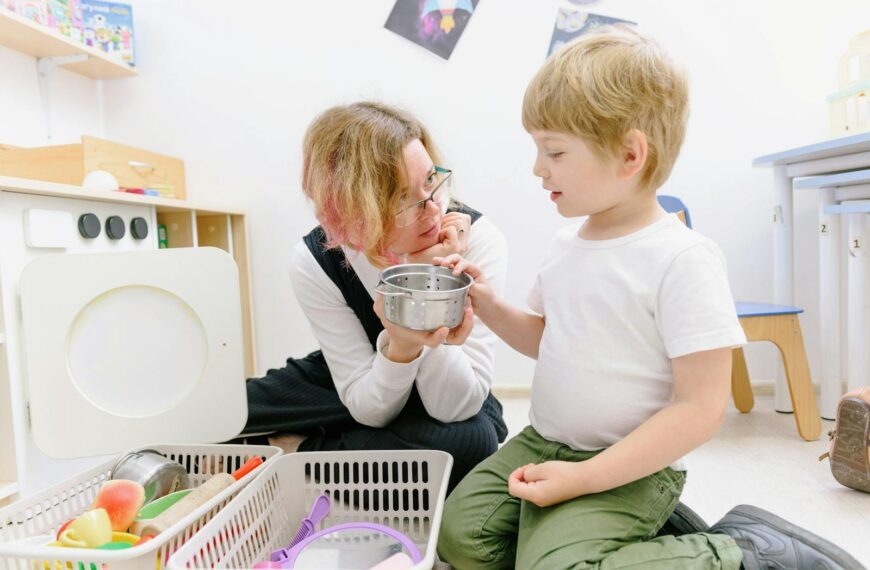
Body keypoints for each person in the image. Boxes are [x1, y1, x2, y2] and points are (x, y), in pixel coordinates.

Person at [435, 27, 861, 568]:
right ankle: (624, 537)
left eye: (555, 151)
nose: (537, 168)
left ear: (630, 154)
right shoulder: (566, 245)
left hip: (630, 463)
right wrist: (487, 303)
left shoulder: (682, 259)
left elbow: (701, 409)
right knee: (459, 536)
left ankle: (746, 552)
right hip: (545, 441)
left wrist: (587, 478)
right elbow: (547, 339)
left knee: (555, 567)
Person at [238, 101, 508, 492]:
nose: (434, 208)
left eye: (431, 180)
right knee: (227, 415)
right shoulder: (316, 260)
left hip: (445, 377)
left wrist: (429, 281)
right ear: (351, 213)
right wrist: (397, 348)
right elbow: (367, 405)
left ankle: (297, 450)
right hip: (358, 369)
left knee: (468, 443)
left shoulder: (477, 240)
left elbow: (451, 407)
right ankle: (324, 438)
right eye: (403, 199)